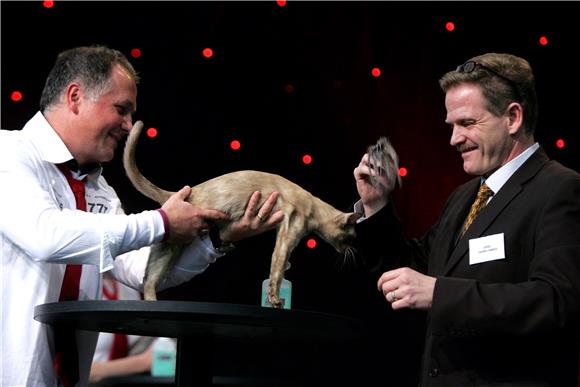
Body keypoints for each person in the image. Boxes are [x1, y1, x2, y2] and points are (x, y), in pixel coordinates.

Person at [0, 45, 283, 387]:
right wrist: (161, 222)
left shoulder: (99, 190)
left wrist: (216, 239)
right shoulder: (9, 152)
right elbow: (45, 236)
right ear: (75, 97)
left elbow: (141, 271)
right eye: (121, 109)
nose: (128, 124)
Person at [353, 52, 580, 386]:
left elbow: (556, 302)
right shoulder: (464, 197)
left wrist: (439, 293)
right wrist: (377, 205)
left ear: (513, 117)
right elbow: (410, 273)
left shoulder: (561, 188)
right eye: (451, 125)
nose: (453, 139)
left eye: (467, 123)